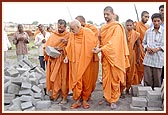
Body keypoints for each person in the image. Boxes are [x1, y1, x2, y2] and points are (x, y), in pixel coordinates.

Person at [92, 6, 130, 109]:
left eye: (107, 14)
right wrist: (97, 46)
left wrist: (100, 49)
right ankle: (107, 96)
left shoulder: (117, 26)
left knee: (114, 79)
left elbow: (113, 43)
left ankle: (113, 99)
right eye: (104, 14)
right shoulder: (103, 27)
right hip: (106, 57)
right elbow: (99, 39)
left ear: (113, 14)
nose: (105, 16)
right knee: (106, 78)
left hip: (115, 58)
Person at [64, 19, 98, 109]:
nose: (71, 31)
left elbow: (95, 44)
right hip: (75, 62)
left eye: (72, 29)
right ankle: (77, 100)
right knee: (76, 81)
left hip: (86, 63)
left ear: (78, 27)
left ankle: (85, 99)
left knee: (86, 81)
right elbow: (69, 47)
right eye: (70, 29)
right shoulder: (72, 35)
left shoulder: (88, 33)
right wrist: (67, 57)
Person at [44, 19, 70, 104]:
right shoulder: (53, 35)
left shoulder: (69, 35)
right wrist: (53, 49)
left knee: (63, 79)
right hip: (54, 60)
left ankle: (64, 97)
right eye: (59, 26)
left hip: (63, 61)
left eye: (62, 27)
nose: (60, 28)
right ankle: (55, 94)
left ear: (65, 27)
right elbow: (46, 47)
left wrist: (63, 48)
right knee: (54, 79)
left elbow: (72, 47)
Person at [75, 15, 99, 96]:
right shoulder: (75, 31)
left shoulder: (92, 29)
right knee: (79, 77)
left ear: (83, 22)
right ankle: (79, 95)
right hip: (79, 58)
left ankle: (87, 95)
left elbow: (95, 42)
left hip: (90, 57)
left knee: (89, 79)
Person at [142, 13, 164, 90]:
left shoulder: (164, 31)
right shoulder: (148, 31)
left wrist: (158, 49)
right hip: (148, 59)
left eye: (158, 21)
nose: (156, 23)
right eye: (154, 21)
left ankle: (155, 97)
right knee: (147, 79)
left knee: (157, 80)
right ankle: (146, 95)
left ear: (161, 21)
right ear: (152, 21)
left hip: (158, 59)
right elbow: (143, 43)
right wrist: (146, 48)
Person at [125, 19, 141, 94]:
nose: (129, 27)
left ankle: (128, 88)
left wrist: (138, 58)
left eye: (130, 25)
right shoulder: (123, 33)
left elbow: (138, 46)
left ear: (133, 25)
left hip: (132, 55)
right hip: (123, 55)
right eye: (127, 25)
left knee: (130, 72)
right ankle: (121, 89)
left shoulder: (136, 34)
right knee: (123, 72)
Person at [134, 11, 150, 84]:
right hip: (137, 47)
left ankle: (139, 82)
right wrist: (135, 26)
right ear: (141, 16)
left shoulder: (148, 27)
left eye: (148, 17)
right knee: (135, 66)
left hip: (144, 48)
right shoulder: (136, 24)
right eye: (145, 16)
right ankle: (134, 83)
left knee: (142, 67)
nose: (147, 18)